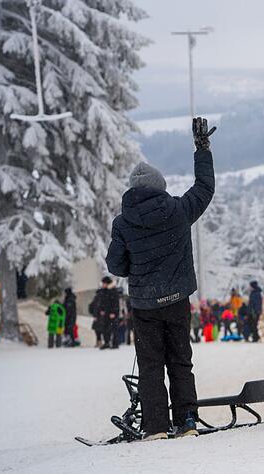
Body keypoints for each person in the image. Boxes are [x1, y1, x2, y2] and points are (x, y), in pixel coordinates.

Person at [105, 117, 215, 440]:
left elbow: (116, 265)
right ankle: (187, 421)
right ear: (160, 186)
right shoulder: (179, 210)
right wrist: (202, 150)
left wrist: (136, 267)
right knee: (181, 360)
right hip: (177, 300)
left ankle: (155, 426)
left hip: (145, 305)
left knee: (151, 364)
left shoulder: (123, 224)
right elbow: (205, 189)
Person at [91, 277, 121, 350]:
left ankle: (115, 343)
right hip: (105, 313)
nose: (103, 284)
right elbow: (101, 302)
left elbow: (115, 303)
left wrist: (113, 312)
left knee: (114, 328)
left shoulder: (113, 291)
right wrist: (101, 310)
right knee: (105, 328)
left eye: (104, 283)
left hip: (112, 313)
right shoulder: (104, 291)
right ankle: (107, 342)